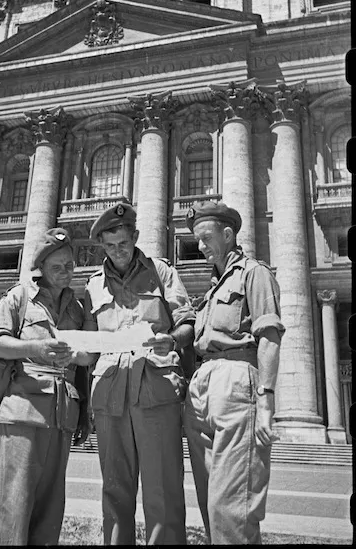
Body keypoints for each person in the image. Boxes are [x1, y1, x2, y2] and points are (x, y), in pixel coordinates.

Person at [84, 201, 195, 545]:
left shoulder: (162, 272)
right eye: (109, 245)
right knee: (114, 489)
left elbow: (188, 324)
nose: (117, 252)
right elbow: (89, 347)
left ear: (135, 237)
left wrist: (171, 341)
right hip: (109, 395)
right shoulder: (91, 286)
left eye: (123, 243)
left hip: (156, 390)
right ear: (101, 244)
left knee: (163, 487)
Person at [182, 199, 285, 544]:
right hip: (202, 387)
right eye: (196, 240)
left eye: (206, 237)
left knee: (233, 507)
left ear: (228, 235)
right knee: (212, 502)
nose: (200, 247)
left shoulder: (254, 273)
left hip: (237, 381)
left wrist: (266, 400)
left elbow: (269, 335)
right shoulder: (213, 288)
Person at [0, 228, 94, 546]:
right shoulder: (19, 297)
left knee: (50, 508)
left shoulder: (78, 309)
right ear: (41, 268)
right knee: (11, 503)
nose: (65, 273)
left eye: (70, 266)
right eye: (57, 267)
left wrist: (84, 412)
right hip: (22, 411)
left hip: (62, 416)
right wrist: (37, 349)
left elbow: (86, 361)